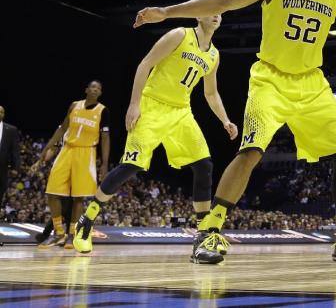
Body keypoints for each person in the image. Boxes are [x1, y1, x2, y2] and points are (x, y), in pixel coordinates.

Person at [134, 0, 336, 264]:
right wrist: (166, 11)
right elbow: (223, 1)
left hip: (311, 84)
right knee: (251, 152)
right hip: (270, 80)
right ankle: (210, 231)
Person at [72, 15, 238, 260]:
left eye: (219, 11)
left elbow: (211, 93)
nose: (215, 14)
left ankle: (203, 237)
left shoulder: (214, 54)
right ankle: (87, 220)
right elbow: (145, 64)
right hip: (152, 105)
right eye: (209, 8)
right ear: (198, 14)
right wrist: (134, 104)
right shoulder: (179, 35)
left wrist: (225, 120)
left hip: (181, 112)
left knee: (204, 165)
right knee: (131, 165)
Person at [32, 81, 109, 250]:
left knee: (78, 197)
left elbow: (105, 139)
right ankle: (59, 234)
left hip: (86, 152)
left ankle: (72, 235)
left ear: (100, 93)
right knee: (52, 192)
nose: (95, 89)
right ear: (86, 90)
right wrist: (45, 150)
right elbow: (62, 128)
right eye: (93, 87)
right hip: (67, 149)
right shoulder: (75, 105)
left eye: (98, 88)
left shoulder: (102, 111)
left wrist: (104, 165)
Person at [0, 106, 21, 211]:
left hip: (2, 169)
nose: (0, 113)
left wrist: (15, 167)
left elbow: (15, 150)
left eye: (2, 112)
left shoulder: (11, 130)